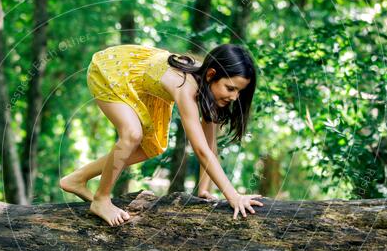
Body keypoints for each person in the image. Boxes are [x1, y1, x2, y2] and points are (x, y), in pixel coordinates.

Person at [60, 43, 264, 226]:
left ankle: (77, 179)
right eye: (230, 88)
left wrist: (204, 190)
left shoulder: (207, 87)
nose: (234, 97)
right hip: (113, 70)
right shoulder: (186, 88)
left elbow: (209, 144)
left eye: (239, 92)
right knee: (132, 134)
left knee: (152, 146)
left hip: (144, 86)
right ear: (211, 75)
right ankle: (101, 199)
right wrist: (234, 196)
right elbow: (201, 150)